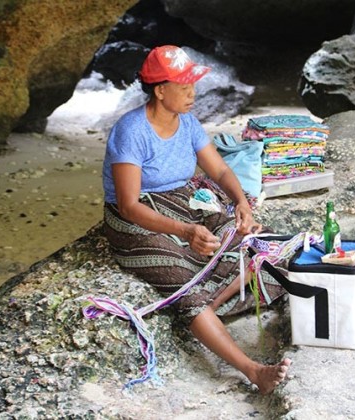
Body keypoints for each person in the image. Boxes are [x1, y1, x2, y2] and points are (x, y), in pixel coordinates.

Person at [102, 45, 291, 394]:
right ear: (160, 90)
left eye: (193, 84)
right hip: (139, 217)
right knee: (182, 283)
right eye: (184, 85)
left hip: (183, 202)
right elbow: (128, 205)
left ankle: (210, 309)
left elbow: (218, 168)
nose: (193, 93)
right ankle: (252, 370)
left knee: (262, 245)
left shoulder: (186, 122)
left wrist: (240, 203)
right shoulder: (131, 131)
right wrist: (187, 231)